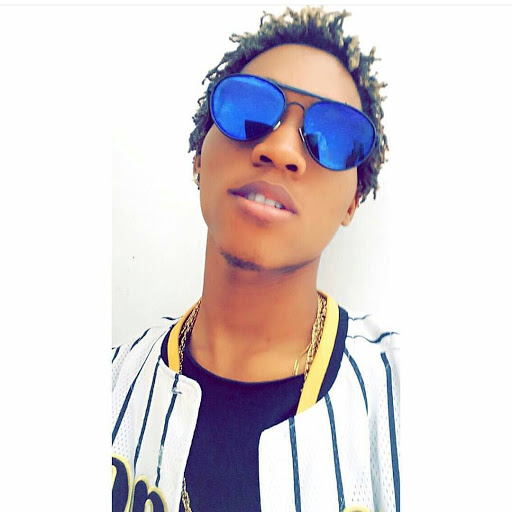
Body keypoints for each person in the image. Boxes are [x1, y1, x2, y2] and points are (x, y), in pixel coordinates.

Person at [112, 6, 400, 512]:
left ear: (353, 201)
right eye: (249, 107)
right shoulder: (111, 385)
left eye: (333, 135)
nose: (281, 148)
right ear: (199, 157)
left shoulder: (404, 395)